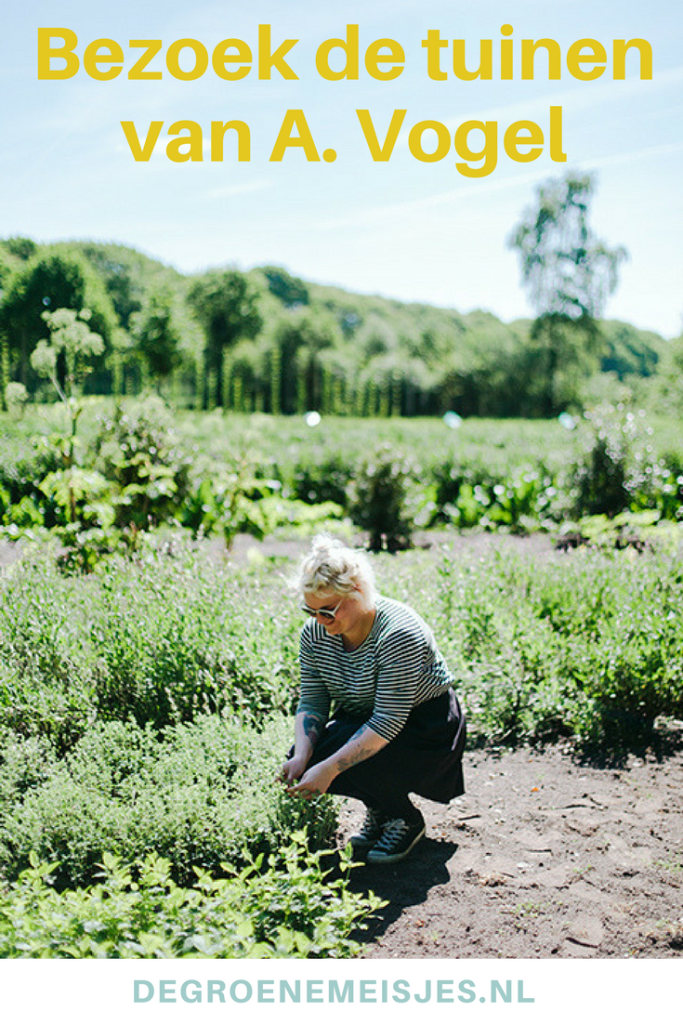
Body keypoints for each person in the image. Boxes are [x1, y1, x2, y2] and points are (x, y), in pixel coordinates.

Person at [280, 535, 466, 865]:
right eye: (310, 610)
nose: (319, 620)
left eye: (328, 610)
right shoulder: (314, 634)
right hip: (367, 717)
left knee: (344, 760)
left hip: (425, 726)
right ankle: (381, 809)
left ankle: (405, 819)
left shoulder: (398, 632)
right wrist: (304, 757)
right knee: (307, 755)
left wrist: (328, 770)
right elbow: (312, 702)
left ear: (358, 592)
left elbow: (388, 720)